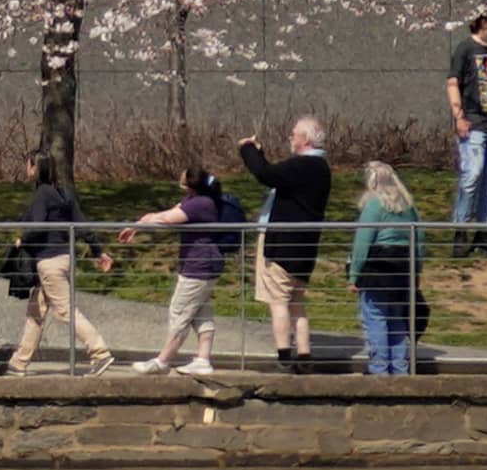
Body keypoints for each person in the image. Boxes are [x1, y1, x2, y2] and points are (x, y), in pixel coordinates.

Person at [117, 166, 239, 375]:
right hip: (202, 264)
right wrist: (139, 224)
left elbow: (168, 219)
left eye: (184, 174)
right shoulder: (193, 200)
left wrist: (146, 222)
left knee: (180, 311)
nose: (179, 175)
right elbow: (163, 214)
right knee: (200, 311)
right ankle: (203, 360)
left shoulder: (201, 204)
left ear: (190, 183)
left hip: (199, 266)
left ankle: (163, 361)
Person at [0, 155, 102, 374]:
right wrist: (97, 250)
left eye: (28, 164)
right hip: (63, 258)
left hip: (49, 261)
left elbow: (37, 225)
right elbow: (81, 224)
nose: (26, 169)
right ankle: (19, 362)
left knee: (65, 311)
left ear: (35, 168)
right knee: (36, 311)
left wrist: (23, 239)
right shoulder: (64, 193)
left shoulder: (42, 194)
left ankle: (100, 353)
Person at [248, 115, 338, 364]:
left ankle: (284, 355)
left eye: (293, 134)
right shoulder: (320, 168)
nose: (290, 137)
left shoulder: (303, 166)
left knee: (278, 301)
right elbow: (276, 174)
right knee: (296, 302)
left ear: (305, 139)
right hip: (304, 249)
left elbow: (265, 173)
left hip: (283, 248)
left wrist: (247, 149)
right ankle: (304, 353)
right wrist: (260, 154)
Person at [349, 163, 425, 376]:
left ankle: (378, 369)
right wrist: (417, 271)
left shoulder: (374, 204)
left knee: (375, 318)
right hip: (403, 269)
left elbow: (362, 242)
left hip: (378, 268)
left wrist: (354, 275)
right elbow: (419, 240)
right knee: (397, 320)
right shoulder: (408, 206)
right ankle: (400, 368)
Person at [445, 7, 487, 236]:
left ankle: (484, 232)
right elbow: (453, 83)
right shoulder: (466, 49)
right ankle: (460, 228)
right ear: (485, 22)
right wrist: (458, 117)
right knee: (472, 175)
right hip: (474, 124)